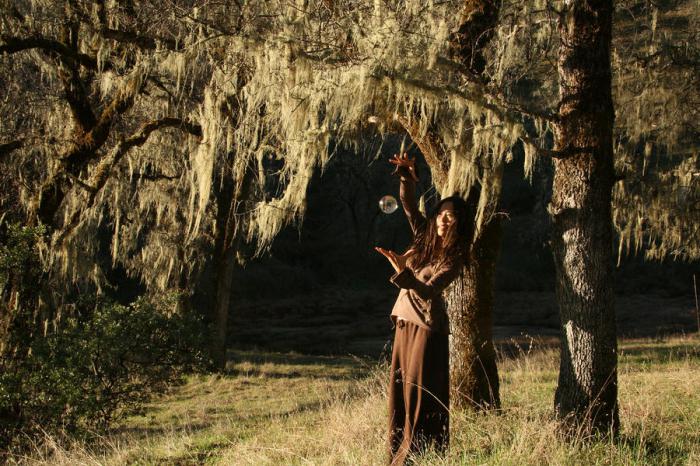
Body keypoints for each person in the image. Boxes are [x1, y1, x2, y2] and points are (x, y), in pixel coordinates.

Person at [375, 153, 475, 465]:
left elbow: (430, 290)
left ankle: (417, 455)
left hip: (427, 328)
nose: (445, 219)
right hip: (405, 322)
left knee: (419, 396)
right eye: (442, 214)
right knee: (400, 393)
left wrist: (403, 274)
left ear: (460, 223)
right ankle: (397, 454)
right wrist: (406, 178)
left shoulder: (454, 257)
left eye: (451, 216)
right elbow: (407, 206)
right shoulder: (425, 239)